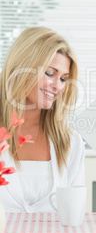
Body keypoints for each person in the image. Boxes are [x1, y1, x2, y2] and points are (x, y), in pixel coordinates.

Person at [0, 27, 85, 212]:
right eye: (49, 73)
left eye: (63, 79)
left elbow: (74, 214)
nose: (57, 86)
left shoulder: (71, 143)